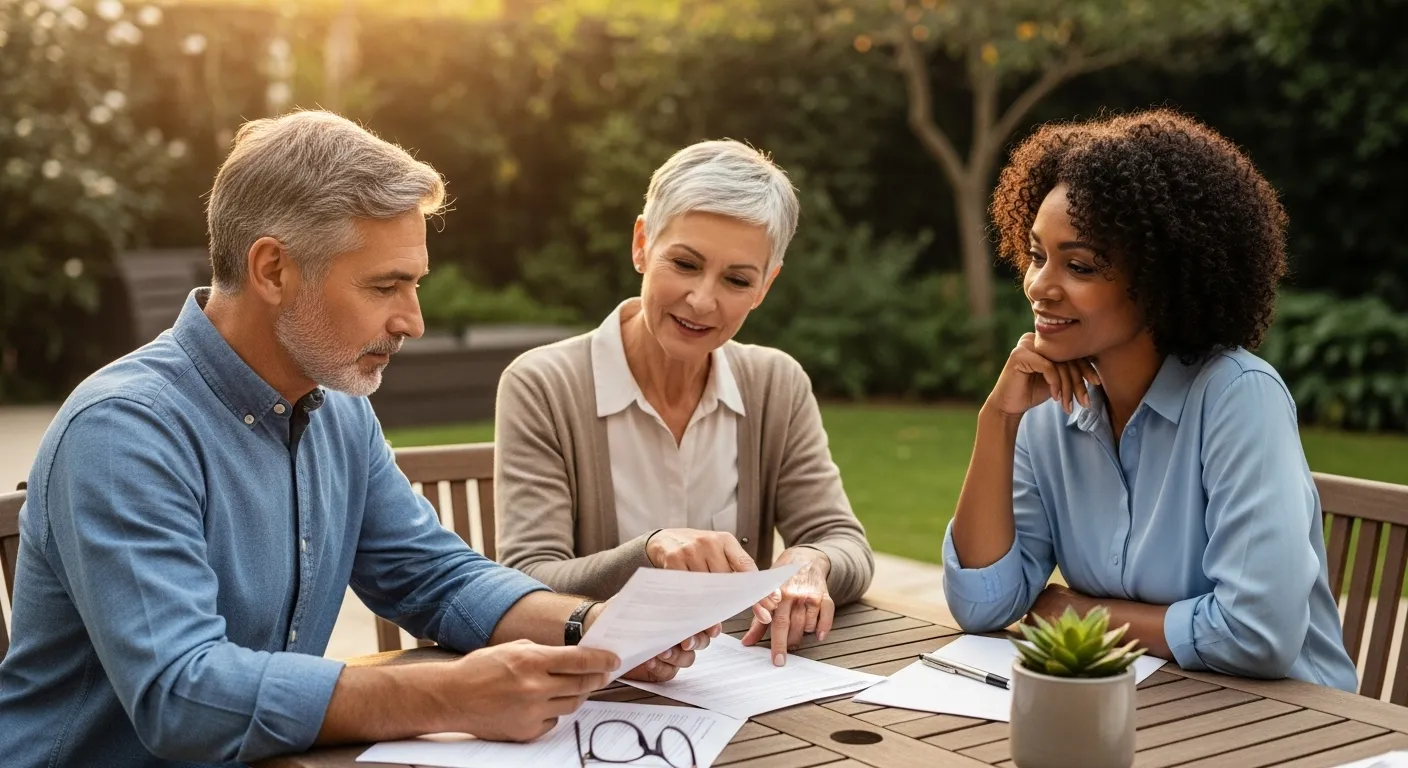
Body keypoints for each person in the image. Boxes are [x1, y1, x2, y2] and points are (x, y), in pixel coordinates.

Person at [0, 110, 711, 768]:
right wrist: (449, 696)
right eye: (384, 286)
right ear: (273, 270)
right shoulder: (124, 432)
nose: (413, 321)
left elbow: (435, 577)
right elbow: (182, 694)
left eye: (415, 284)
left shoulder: (335, 407)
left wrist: (592, 628)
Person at [944, 108, 1358, 691]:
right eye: (1037, 256)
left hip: (1294, 720)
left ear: (1161, 278)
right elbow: (983, 605)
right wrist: (998, 422)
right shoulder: (1046, 408)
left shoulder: (1239, 397)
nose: (1039, 285)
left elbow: (1257, 633)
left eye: (1079, 265)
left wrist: (1079, 613)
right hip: (1149, 705)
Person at [494, 139, 875, 667]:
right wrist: (652, 550)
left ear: (764, 286)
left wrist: (811, 562)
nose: (701, 300)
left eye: (737, 279)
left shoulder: (776, 383)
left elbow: (842, 540)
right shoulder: (543, 384)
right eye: (685, 263)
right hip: (601, 687)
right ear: (641, 244)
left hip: (739, 682)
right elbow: (527, 577)